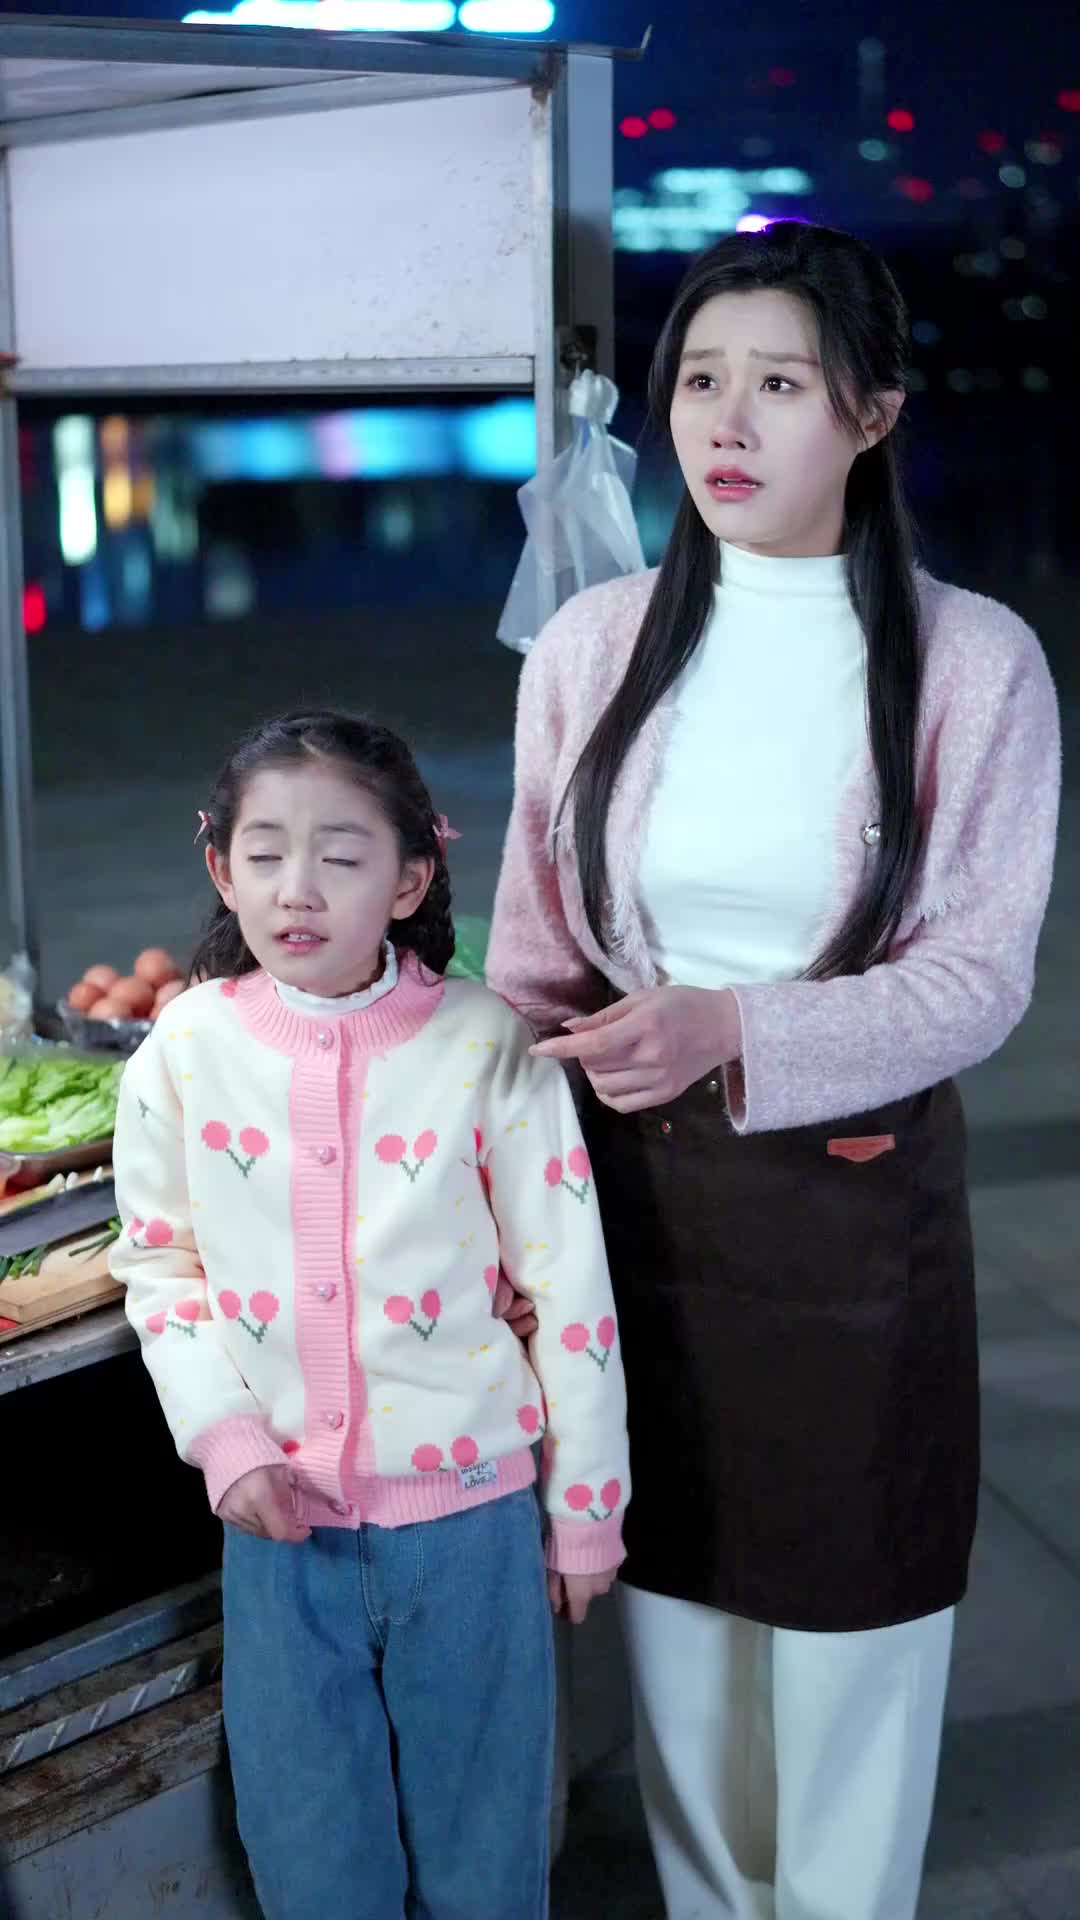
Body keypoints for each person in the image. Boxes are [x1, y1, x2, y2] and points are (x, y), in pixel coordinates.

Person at [486, 221, 1060, 1920]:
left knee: (848, 1640)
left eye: (782, 386)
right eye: (700, 382)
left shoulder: (972, 662)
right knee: (679, 1633)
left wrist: (736, 1029)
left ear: (874, 415)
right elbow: (532, 958)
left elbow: (975, 977)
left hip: (850, 1213)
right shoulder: (592, 646)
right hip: (633, 1211)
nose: (726, 424)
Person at [110, 709, 629, 1920]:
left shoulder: (486, 1044)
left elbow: (570, 1290)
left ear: (410, 880)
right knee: (310, 1856)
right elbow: (161, 1267)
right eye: (264, 854)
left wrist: (587, 1510)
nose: (297, 889)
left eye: (340, 857)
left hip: (472, 1529)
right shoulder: (182, 1049)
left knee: (486, 1854)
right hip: (279, 1533)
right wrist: (226, 1439)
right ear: (221, 869)